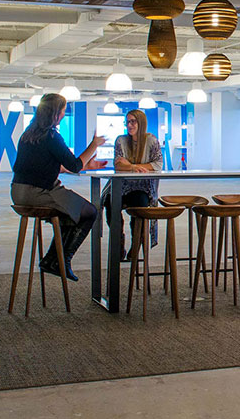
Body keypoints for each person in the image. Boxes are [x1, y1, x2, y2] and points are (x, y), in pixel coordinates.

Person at [11, 94, 106, 281]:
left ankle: (53, 260)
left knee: (70, 212)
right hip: (39, 192)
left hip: (17, 192)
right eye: (63, 109)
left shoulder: (28, 134)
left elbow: (53, 166)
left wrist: (89, 166)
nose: (64, 113)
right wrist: (93, 145)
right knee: (89, 212)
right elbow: (75, 165)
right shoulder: (52, 136)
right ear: (56, 113)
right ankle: (62, 260)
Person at [101, 109, 162, 259]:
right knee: (109, 202)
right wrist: (135, 167)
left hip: (142, 187)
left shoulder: (151, 140)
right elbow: (118, 165)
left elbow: (158, 165)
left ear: (141, 123)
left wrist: (129, 164)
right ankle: (118, 242)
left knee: (140, 204)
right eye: (127, 122)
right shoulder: (120, 140)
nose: (129, 125)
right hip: (121, 186)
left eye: (133, 121)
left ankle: (136, 246)